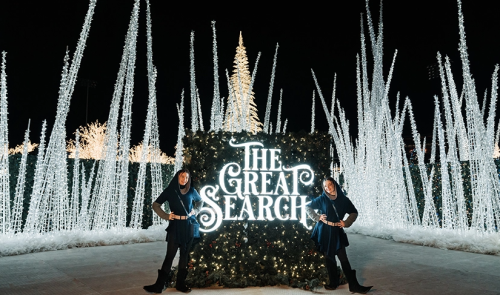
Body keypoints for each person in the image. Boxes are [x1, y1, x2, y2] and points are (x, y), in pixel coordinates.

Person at [306, 176, 372, 294]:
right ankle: (333, 283)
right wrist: (317, 217)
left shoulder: (344, 200)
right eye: (325, 186)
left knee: (343, 258)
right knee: (329, 257)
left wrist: (346, 222)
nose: (328, 188)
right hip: (324, 230)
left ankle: (354, 285)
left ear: (334, 184)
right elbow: (308, 206)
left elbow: (354, 212)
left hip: (337, 231)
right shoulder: (322, 199)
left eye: (330, 185)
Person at [144, 169, 203, 294]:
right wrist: (166, 216)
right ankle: (159, 286)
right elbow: (155, 205)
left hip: (188, 226)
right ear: (177, 177)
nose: (184, 180)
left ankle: (181, 285)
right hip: (175, 226)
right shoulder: (170, 191)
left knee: (184, 256)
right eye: (182, 177)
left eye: (187, 177)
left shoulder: (191, 191)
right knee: (169, 256)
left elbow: (200, 201)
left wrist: (196, 211)